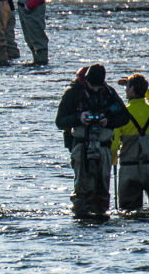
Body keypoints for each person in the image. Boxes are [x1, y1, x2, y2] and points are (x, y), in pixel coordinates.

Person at [55, 64, 131, 219]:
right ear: (85, 80)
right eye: (92, 86)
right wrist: (79, 118)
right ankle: (81, 216)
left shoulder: (109, 92)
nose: (96, 90)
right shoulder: (73, 93)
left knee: (102, 187)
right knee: (82, 188)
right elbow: (60, 121)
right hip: (81, 146)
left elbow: (125, 116)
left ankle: (101, 214)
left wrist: (108, 121)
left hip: (104, 148)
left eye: (98, 86)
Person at [111, 74, 149, 210]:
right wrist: (143, 88)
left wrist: (113, 161)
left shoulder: (121, 115)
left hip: (129, 169)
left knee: (129, 212)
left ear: (132, 89)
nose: (125, 90)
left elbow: (114, 145)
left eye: (127, 87)